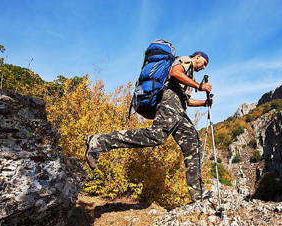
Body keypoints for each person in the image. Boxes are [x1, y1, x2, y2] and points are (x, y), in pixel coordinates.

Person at [85, 51, 212, 202]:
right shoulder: (185, 60)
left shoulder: (190, 76)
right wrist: (200, 86)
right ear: (197, 57)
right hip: (170, 103)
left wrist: (204, 103)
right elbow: (174, 72)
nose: (203, 67)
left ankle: (197, 195)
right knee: (156, 136)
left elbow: (187, 101)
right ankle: (99, 141)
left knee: (192, 142)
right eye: (203, 63)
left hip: (179, 109)